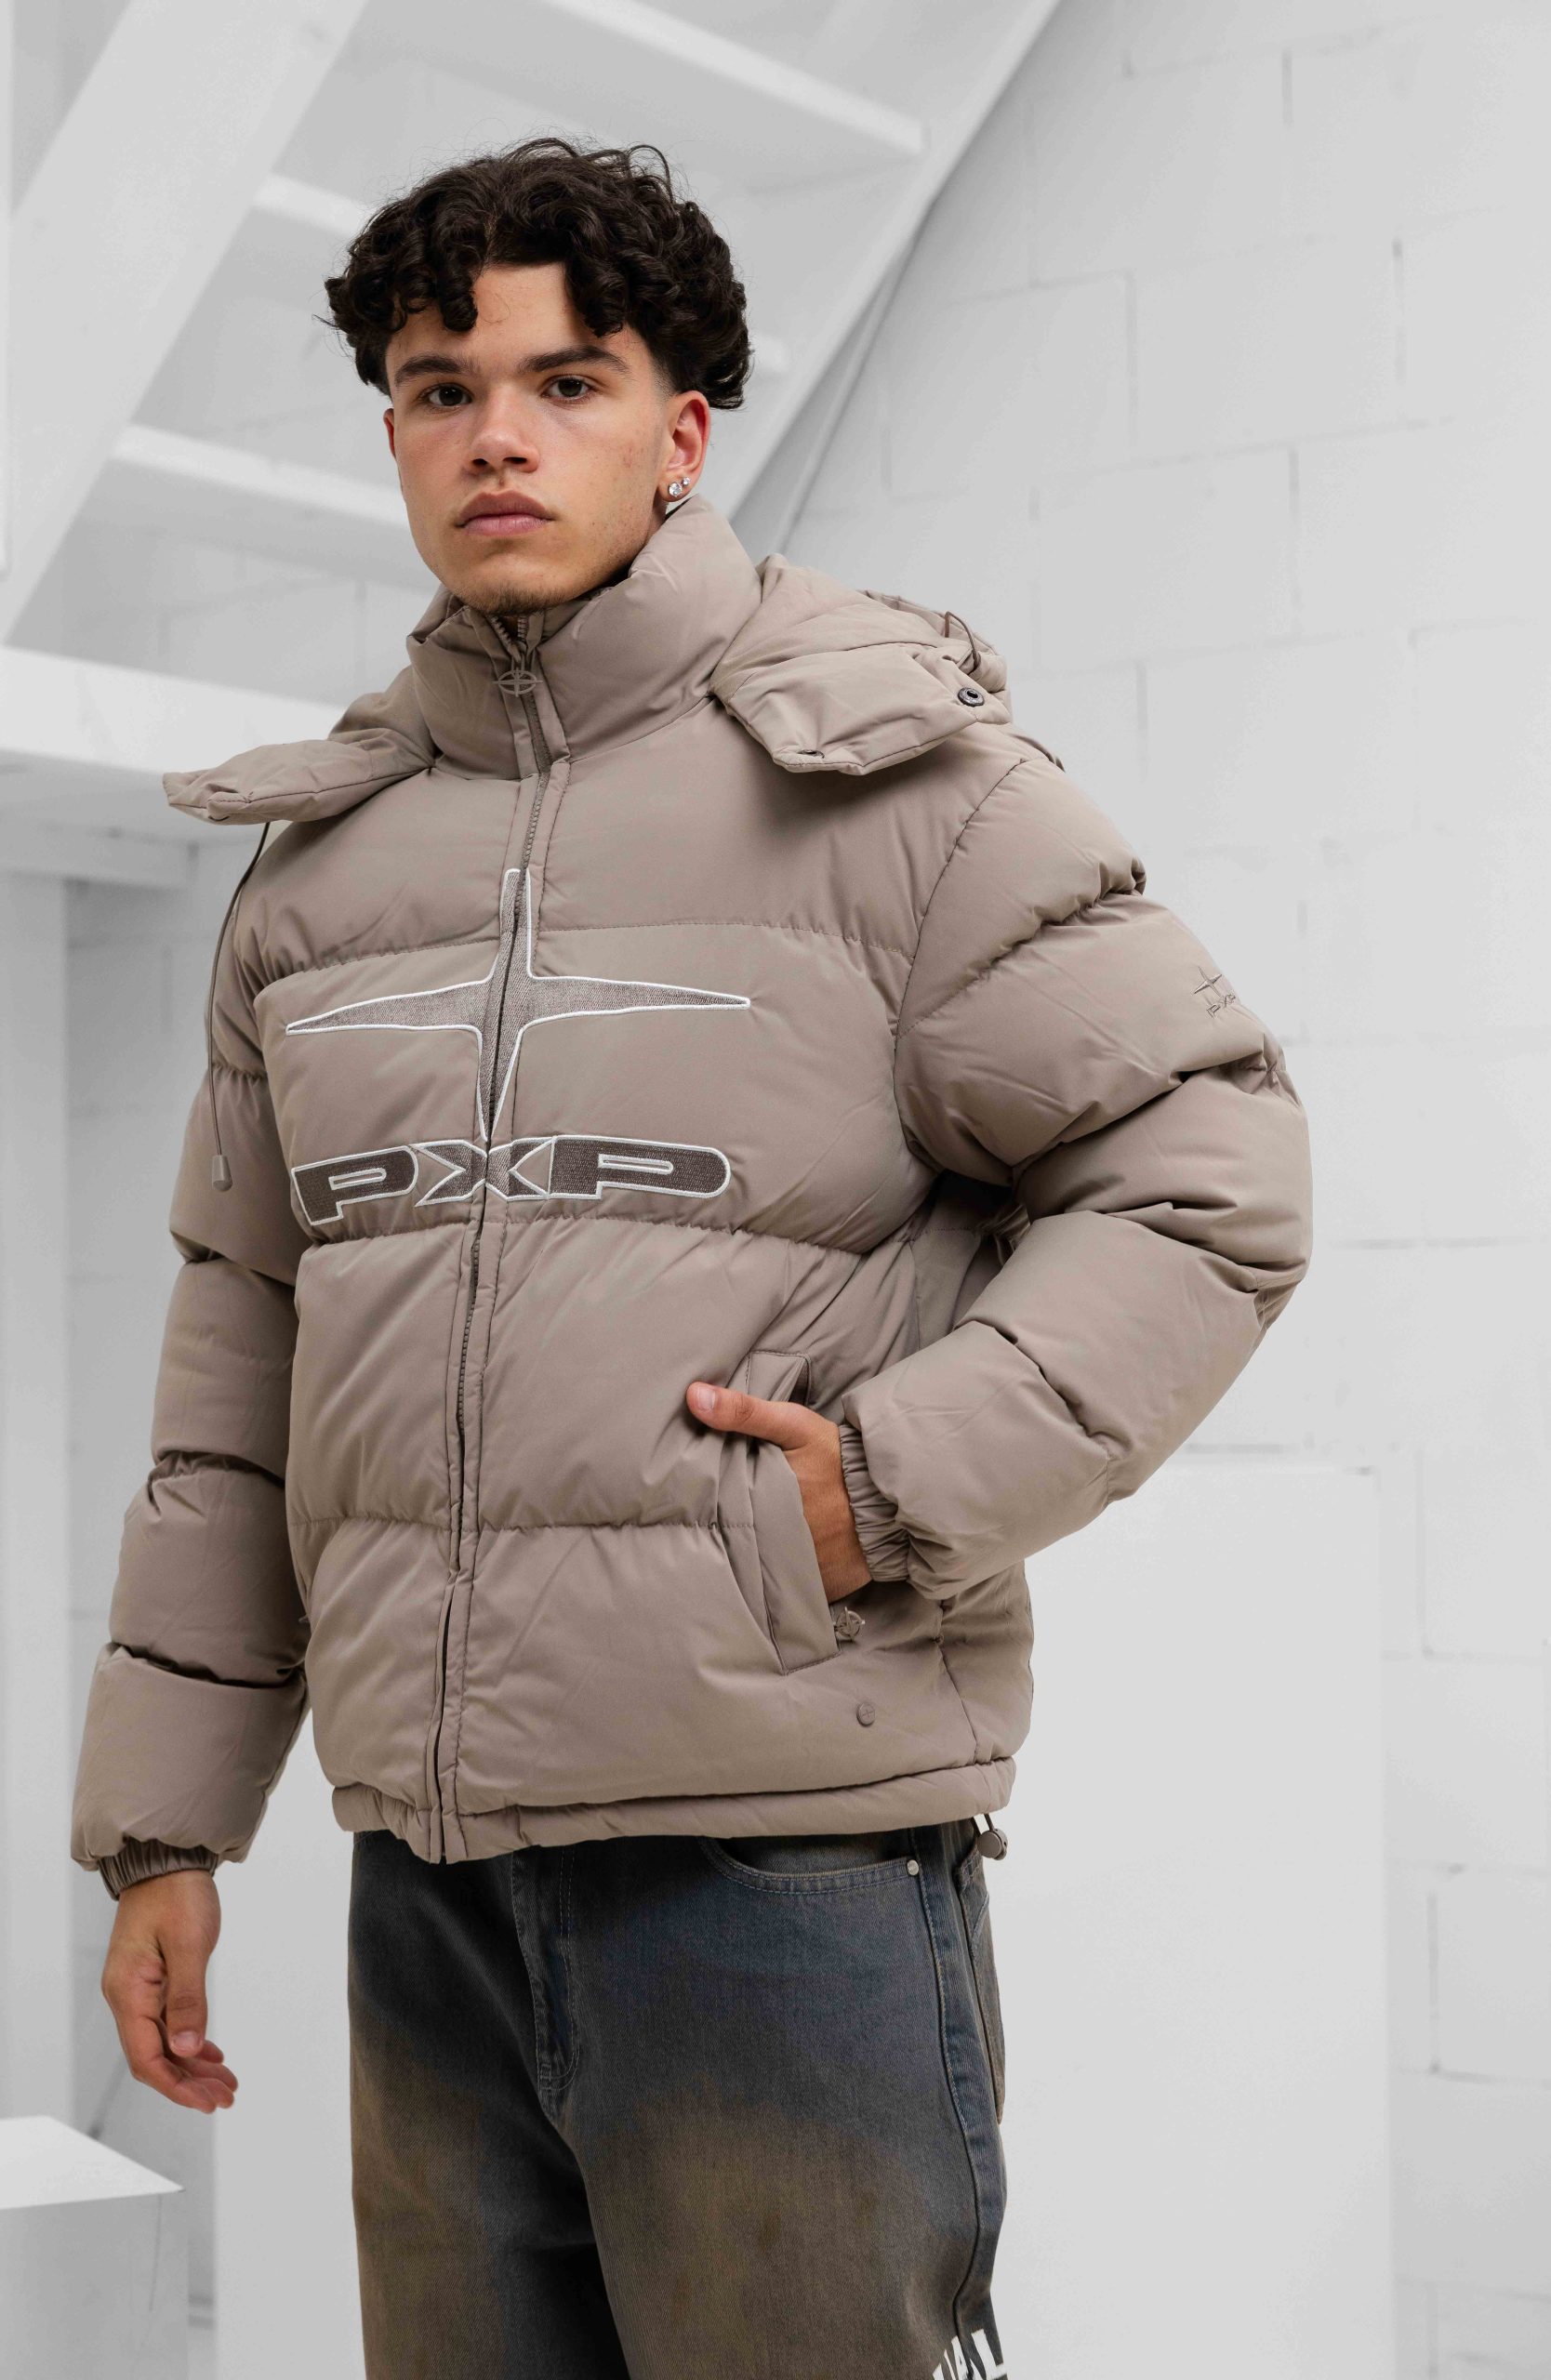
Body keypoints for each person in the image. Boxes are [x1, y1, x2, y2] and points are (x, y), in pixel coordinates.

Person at [70, 137, 1313, 2377]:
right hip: (426, 1877)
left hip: (779, 1870)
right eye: (441, 388)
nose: (499, 435)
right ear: (392, 435)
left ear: (680, 431)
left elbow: (1206, 1170)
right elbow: (237, 1357)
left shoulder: (908, 792)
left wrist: (880, 1487)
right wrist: (165, 1825)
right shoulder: (319, 875)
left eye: (567, 381)